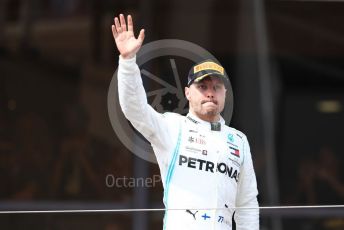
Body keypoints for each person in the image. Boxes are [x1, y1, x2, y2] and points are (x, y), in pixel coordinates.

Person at [111, 14, 259, 230]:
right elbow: (135, 110)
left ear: (225, 94)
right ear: (188, 93)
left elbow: (247, 205)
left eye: (216, 87)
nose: (210, 93)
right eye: (203, 87)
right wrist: (127, 62)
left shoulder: (239, 140)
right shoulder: (172, 127)